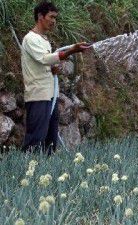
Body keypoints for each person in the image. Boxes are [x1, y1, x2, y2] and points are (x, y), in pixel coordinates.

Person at [21, 1, 91, 155]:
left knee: (50, 140)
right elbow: (45, 59)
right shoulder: (31, 38)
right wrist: (71, 51)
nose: (54, 21)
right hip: (38, 95)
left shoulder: (43, 39)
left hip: (49, 96)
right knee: (36, 139)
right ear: (40, 16)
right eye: (51, 17)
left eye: (55, 18)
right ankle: (27, 169)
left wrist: (52, 70)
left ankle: (45, 171)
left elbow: (42, 63)